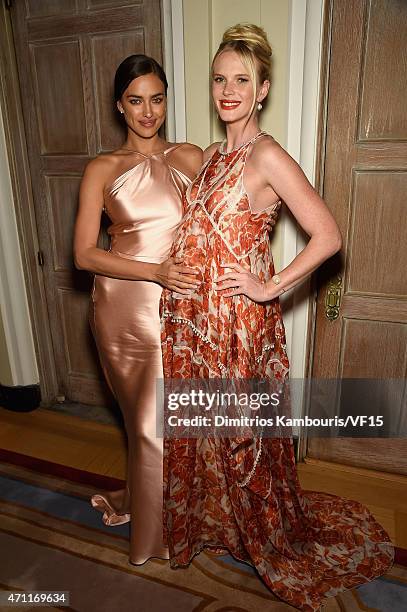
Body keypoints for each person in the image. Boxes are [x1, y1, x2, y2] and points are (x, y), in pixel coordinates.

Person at [159, 24, 394, 611]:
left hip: (240, 329)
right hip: (194, 326)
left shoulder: (266, 155)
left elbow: (328, 236)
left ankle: (262, 533)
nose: (228, 90)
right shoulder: (212, 155)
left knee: (249, 441)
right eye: (219, 79)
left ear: (262, 90)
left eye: (242, 80)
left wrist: (270, 287)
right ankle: (221, 523)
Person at [73, 54, 203, 565]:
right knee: (149, 422)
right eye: (135, 100)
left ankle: (162, 506)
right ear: (119, 107)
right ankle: (152, 541)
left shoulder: (192, 157)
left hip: (183, 303)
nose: (147, 111)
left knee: (172, 418)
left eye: (156, 98)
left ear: (166, 101)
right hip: (126, 306)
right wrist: (153, 272)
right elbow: (84, 254)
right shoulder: (102, 168)